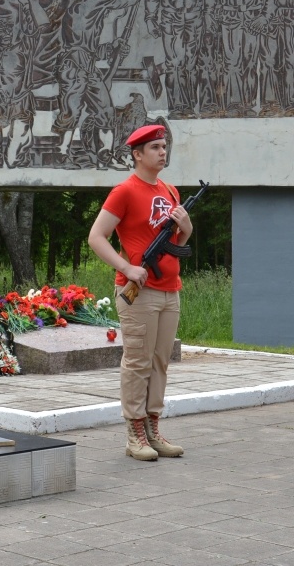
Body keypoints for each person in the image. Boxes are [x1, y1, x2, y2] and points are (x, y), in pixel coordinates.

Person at [88, 124, 192, 461]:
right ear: (137, 154)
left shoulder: (170, 191)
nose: (163, 152)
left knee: (160, 362)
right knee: (137, 362)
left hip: (169, 290)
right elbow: (96, 237)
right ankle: (134, 434)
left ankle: (153, 429)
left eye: (164, 146)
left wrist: (186, 230)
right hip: (139, 293)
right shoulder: (125, 191)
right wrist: (127, 268)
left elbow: (176, 244)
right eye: (155, 147)